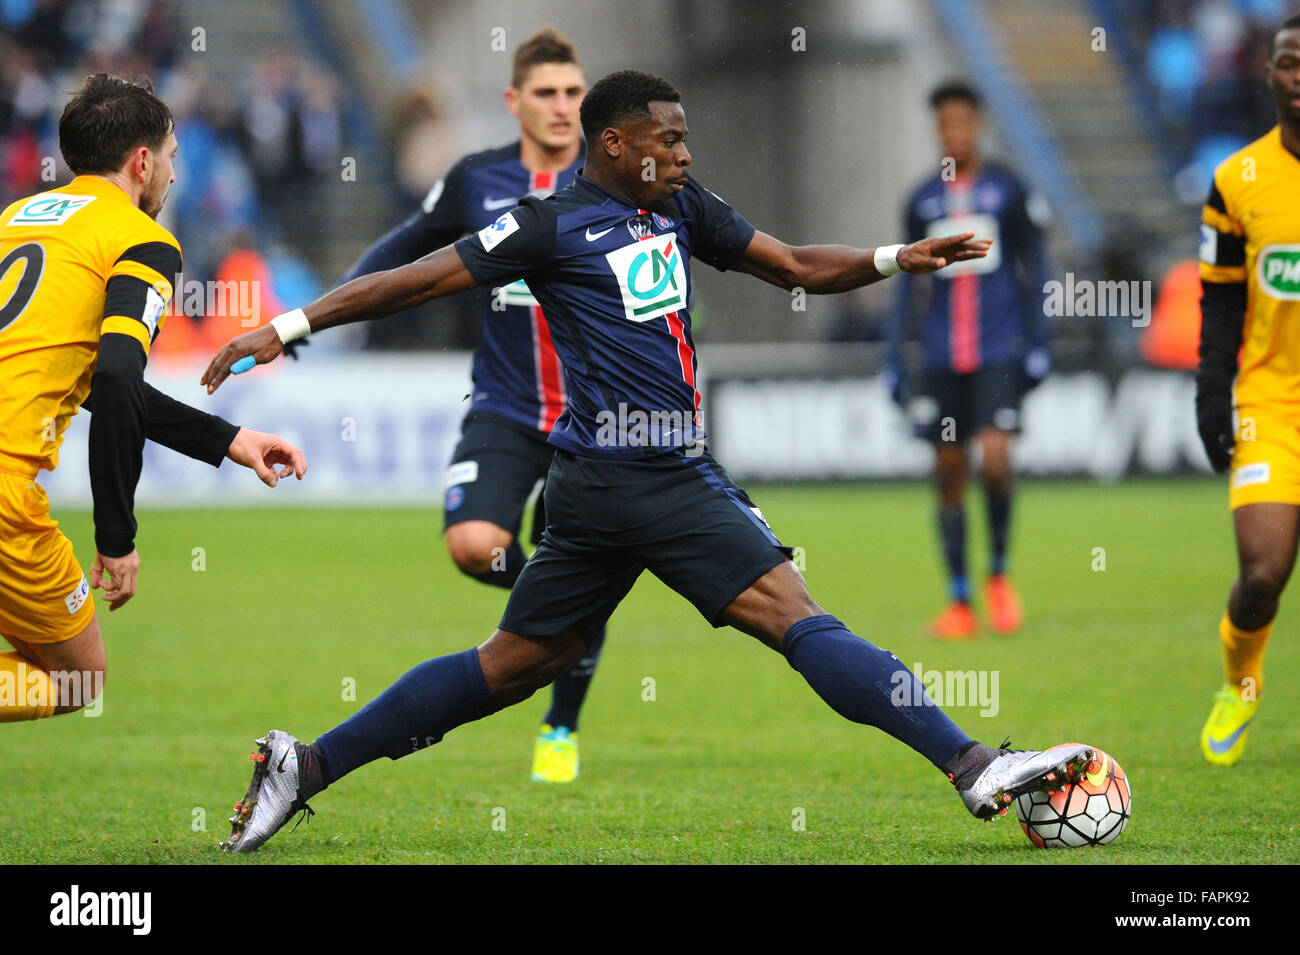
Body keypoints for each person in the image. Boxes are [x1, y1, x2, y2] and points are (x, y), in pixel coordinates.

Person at [203, 70, 1092, 853]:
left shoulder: (675, 202)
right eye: (670, 138)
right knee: (798, 616)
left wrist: (896, 258)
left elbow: (791, 266)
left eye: (686, 138)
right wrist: (285, 326)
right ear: (617, 142)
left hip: (598, 485)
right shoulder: (549, 226)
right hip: (648, 469)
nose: (684, 151)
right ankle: (973, 764)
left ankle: (306, 763)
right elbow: (420, 277)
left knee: (513, 662)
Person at [0, 74, 307, 722]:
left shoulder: (15, 220)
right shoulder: (140, 239)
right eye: (171, 158)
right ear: (142, 162)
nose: (173, 176)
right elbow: (115, 379)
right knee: (77, 680)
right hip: (5, 493)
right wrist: (116, 536)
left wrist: (226, 438)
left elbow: (65, 373)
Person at [338, 29, 596, 783]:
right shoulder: (477, 179)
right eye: (545, 93)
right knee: (473, 543)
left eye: (573, 93)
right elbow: (407, 248)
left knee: (576, 560)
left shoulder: (611, 183)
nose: (560, 106)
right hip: (509, 406)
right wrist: (319, 314)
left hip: (595, 422)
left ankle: (560, 726)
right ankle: (567, 615)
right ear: (515, 101)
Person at [887, 81, 1050, 640]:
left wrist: (1038, 343)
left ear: (977, 124)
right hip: (939, 357)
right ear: (938, 129)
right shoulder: (921, 200)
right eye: (945, 124)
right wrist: (895, 357)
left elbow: (1037, 269)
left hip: (997, 351)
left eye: (963, 122)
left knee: (997, 461)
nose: (954, 132)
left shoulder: (1008, 190)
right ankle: (958, 600)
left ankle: (999, 576)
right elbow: (906, 287)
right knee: (948, 471)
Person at [1195, 14, 1300, 766]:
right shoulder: (1239, 179)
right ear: (1268, 74)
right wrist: (1211, 392)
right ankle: (1242, 679)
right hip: (1273, 403)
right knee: (1264, 570)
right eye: (1291, 63)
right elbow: (1222, 299)